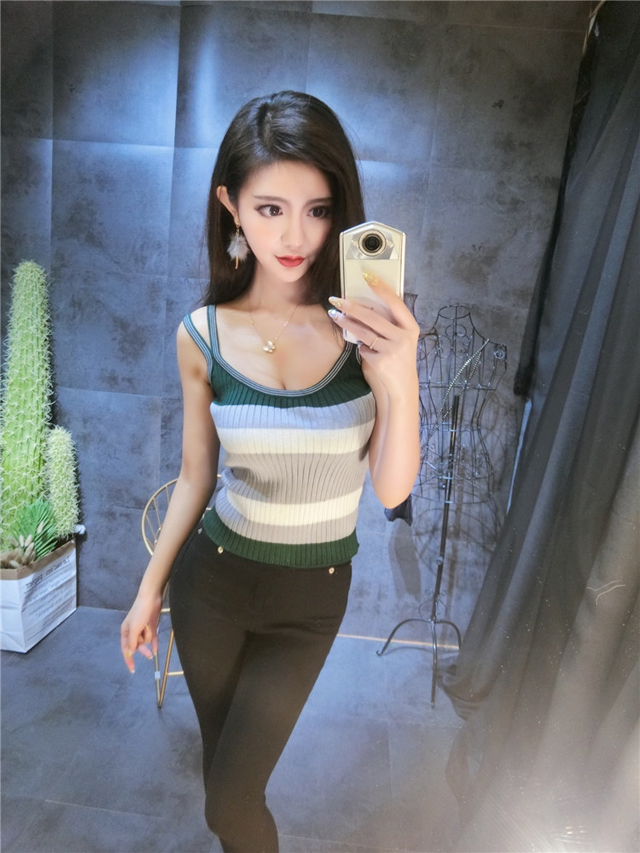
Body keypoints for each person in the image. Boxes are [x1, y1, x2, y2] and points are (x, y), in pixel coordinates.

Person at [120, 90, 420, 852]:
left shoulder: (365, 333)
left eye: (317, 211)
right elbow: (195, 476)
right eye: (270, 209)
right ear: (230, 205)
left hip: (310, 600)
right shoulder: (202, 334)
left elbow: (392, 488)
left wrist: (403, 374)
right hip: (212, 585)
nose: (295, 236)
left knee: (229, 797)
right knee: (227, 786)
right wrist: (149, 589)